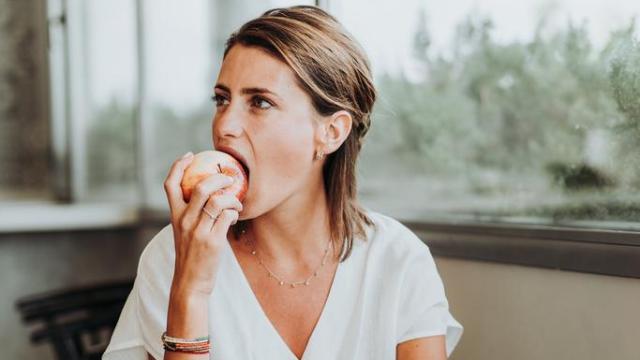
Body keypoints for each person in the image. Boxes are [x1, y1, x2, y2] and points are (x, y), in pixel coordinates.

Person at [103, 5, 462, 360]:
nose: (224, 125)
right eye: (222, 99)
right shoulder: (174, 255)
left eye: (259, 102)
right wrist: (191, 291)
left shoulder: (398, 261)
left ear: (331, 132)